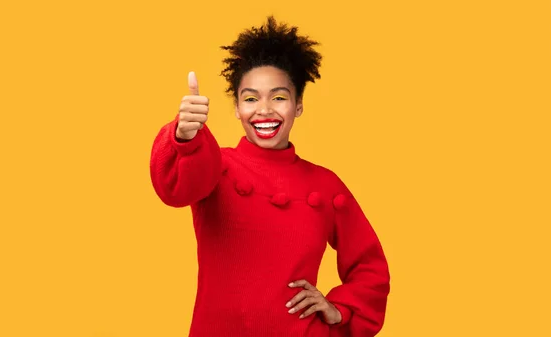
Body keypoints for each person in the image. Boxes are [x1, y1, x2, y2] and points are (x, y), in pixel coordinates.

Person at [149, 15, 390, 337]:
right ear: (236, 108)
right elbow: (175, 190)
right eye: (250, 98)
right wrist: (184, 137)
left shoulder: (325, 184)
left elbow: (370, 268)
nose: (264, 109)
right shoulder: (215, 164)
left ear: (298, 105)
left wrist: (340, 309)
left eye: (278, 97)